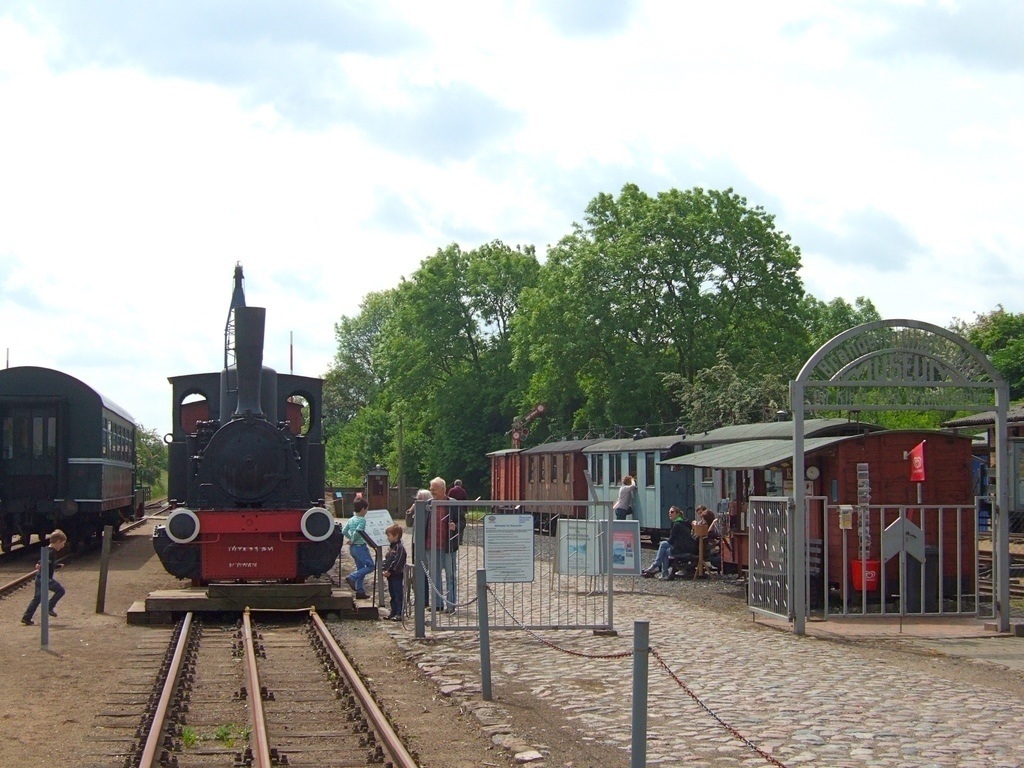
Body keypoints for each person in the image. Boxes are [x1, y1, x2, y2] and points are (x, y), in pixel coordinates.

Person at [21, 529, 67, 626]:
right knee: (60, 591)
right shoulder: (52, 552)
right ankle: (49, 606)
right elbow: (45, 560)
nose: (63, 546)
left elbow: (47, 561)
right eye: (63, 544)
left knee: (37, 598)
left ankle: (26, 617)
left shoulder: (47, 549)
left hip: (39, 577)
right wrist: (40, 564)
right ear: (58, 542)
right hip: (45, 579)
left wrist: (57, 565)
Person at [426, 476, 457, 613]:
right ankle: (437, 604)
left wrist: (455, 526)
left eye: (434, 489)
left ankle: (451, 605)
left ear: (443, 490)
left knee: (450, 575)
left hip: (448, 547)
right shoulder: (427, 504)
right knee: (435, 576)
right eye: (431, 489)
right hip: (431, 546)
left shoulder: (453, 504)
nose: (432, 491)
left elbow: (462, 521)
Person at [642, 507, 688, 579]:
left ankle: (657, 567)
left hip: (681, 548)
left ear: (678, 514)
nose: (670, 514)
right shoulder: (681, 523)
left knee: (663, 545)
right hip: (680, 545)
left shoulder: (677, 524)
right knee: (665, 550)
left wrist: (666, 541)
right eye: (669, 512)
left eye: (672, 512)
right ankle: (663, 572)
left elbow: (671, 540)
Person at [342, 498, 374, 600]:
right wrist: (353, 540)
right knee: (370, 566)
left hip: (353, 549)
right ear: (363, 509)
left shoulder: (351, 519)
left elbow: (344, 530)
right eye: (366, 509)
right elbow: (358, 531)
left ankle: (360, 591)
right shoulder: (362, 520)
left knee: (361, 569)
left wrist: (350, 539)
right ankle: (352, 577)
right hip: (360, 547)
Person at [381, 523, 407, 621]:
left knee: (398, 594)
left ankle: (399, 613)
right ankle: (393, 611)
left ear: (395, 536)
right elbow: (386, 559)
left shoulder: (399, 548)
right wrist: (384, 569)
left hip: (396, 575)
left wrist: (390, 570)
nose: (387, 538)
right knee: (392, 594)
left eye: (389, 536)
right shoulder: (391, 547)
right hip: (390, 575)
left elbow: (397, 561)